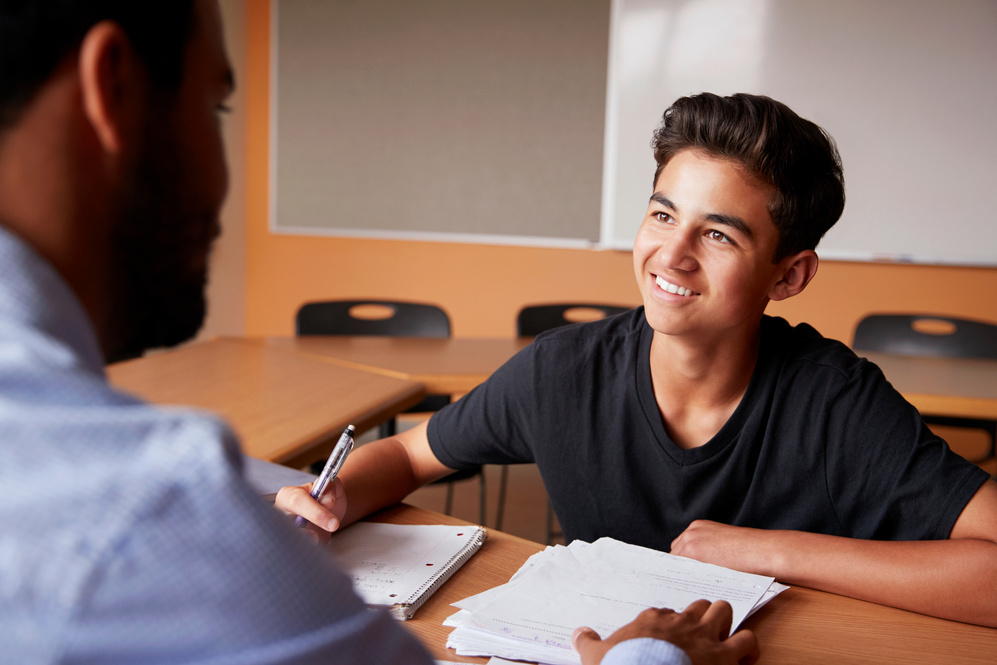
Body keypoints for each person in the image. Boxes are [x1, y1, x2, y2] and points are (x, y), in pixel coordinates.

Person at [0, 1, 757, 663]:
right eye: (216, 107)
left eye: (717, 233)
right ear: (113, 89)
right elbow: (404, 451)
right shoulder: (153, 516)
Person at [280, 92, 997, 629]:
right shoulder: (562, 372)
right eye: (661, 215)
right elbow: (405, 458)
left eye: (718, 235)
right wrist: (337, 494)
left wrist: (771, 551)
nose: (672, 255)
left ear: (788, 275)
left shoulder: (833, 401)